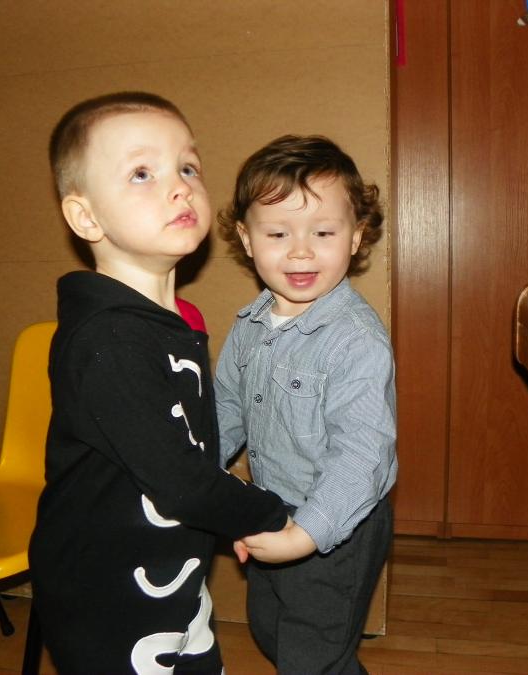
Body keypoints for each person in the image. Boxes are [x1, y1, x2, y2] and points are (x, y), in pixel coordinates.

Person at [28, 92, 291, 675]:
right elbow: (184, 484)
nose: (179, 187)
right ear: (86, 218)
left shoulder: (170, 323)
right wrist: (273, 516)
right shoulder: (109, 341)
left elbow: (190, 453)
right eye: (142, 173)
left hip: (171, 569)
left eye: (188, 167)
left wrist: (228, 510)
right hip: (107, 592)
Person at [215, 135, 398, 674]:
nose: (300, 251)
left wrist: (305, 534)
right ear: (247, 239)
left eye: (323, 232)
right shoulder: (250, 326)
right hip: (272, 508)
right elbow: (225, 408)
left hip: (337, 524)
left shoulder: (355, 340)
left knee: (313, 655)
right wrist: (197, 480)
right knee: (271, 628)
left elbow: (362, 455)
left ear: (356, 236)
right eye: (278, 233)